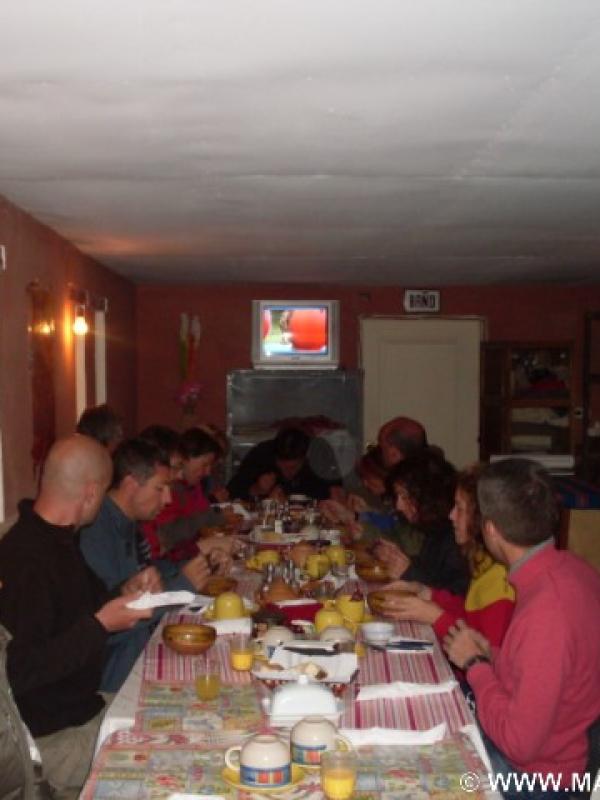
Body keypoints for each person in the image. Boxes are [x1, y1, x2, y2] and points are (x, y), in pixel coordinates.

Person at [0, 435, 152, 798]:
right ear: (91, 492)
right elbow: (18, 673)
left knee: (172, 710)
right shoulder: (25, 560)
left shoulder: (60, 540)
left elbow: (86, 606)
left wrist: (126, 591)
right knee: (165, 763)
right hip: (52, 737)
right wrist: (100, 626)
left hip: (84, 707)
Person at [443, 458, 600, 798]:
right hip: (553, 760)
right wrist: (491, 654)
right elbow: (544, 671)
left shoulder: (547, 610)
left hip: (535, 781)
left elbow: (519, 744)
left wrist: (475, 665)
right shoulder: (571, 569)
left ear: (490, 529)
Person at [79, 437, 227, 692]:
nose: (168, 498)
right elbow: (114, 624)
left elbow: (153, 573)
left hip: (141, 650)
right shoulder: (96, 533)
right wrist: (183, 584)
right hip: (114, 674)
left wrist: (199, 564)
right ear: (130, 484)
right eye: (160, 488)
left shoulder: (127, 522)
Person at [377, 465, 515, 650]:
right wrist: (426, 592)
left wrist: (435, 616)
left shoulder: (499, 579)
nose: (451, 515)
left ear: (480, 517)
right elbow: (469, 615)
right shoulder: (483, 561)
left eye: (459, 508)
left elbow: (487, 653)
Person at [373, 448, 469, 595]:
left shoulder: (455, 537)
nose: (398, 505)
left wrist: (409, 572)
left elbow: (457, 596)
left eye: (404, 497)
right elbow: (430, 570)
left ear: (428, 497)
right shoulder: (434, 530)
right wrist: (398, 559)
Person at [227, 426, 337, 501]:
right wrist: (255, 489)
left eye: (293, 468)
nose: (287, 473)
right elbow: (231, 493)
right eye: (282, 466)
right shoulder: (262, 454)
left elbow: (335, 493)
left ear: (305, 459)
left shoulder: (319, 458)